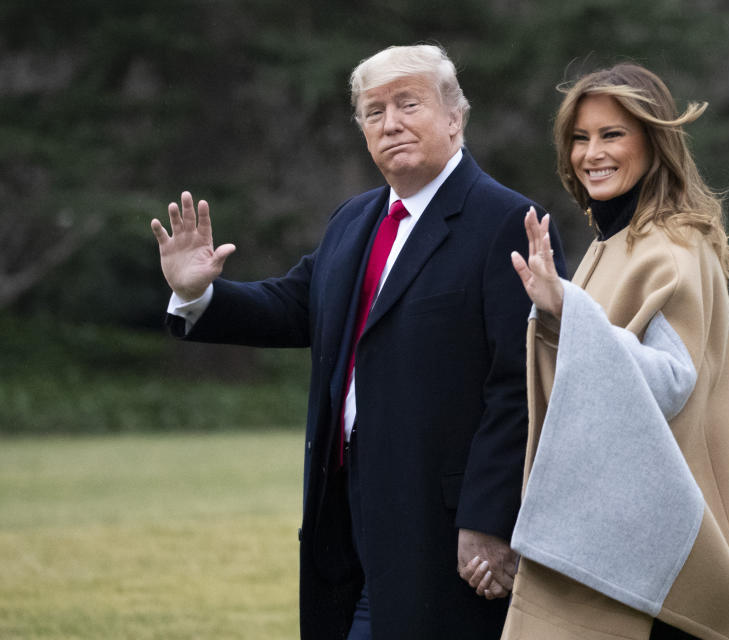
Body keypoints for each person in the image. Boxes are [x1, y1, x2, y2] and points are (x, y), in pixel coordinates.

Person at [149, 44, 565, 640]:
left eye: (407, 104)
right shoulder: (354, 219)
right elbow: (299, 306)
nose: (390, 123)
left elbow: (521, 385)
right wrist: (199, 295)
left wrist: (489, 518)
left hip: (444, 523)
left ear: (455, 117)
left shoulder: (507, 221)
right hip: (343, 511)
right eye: (373, 112)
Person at [492, 63, 729, 639]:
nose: (591, 152)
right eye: (580, 137)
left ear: (655, 142)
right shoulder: (611, 242)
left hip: (657, 550)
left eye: (611, 134)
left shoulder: (671, 244)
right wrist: (559, 312)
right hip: (620, 535)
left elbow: (672, 383)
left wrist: (567, 311)